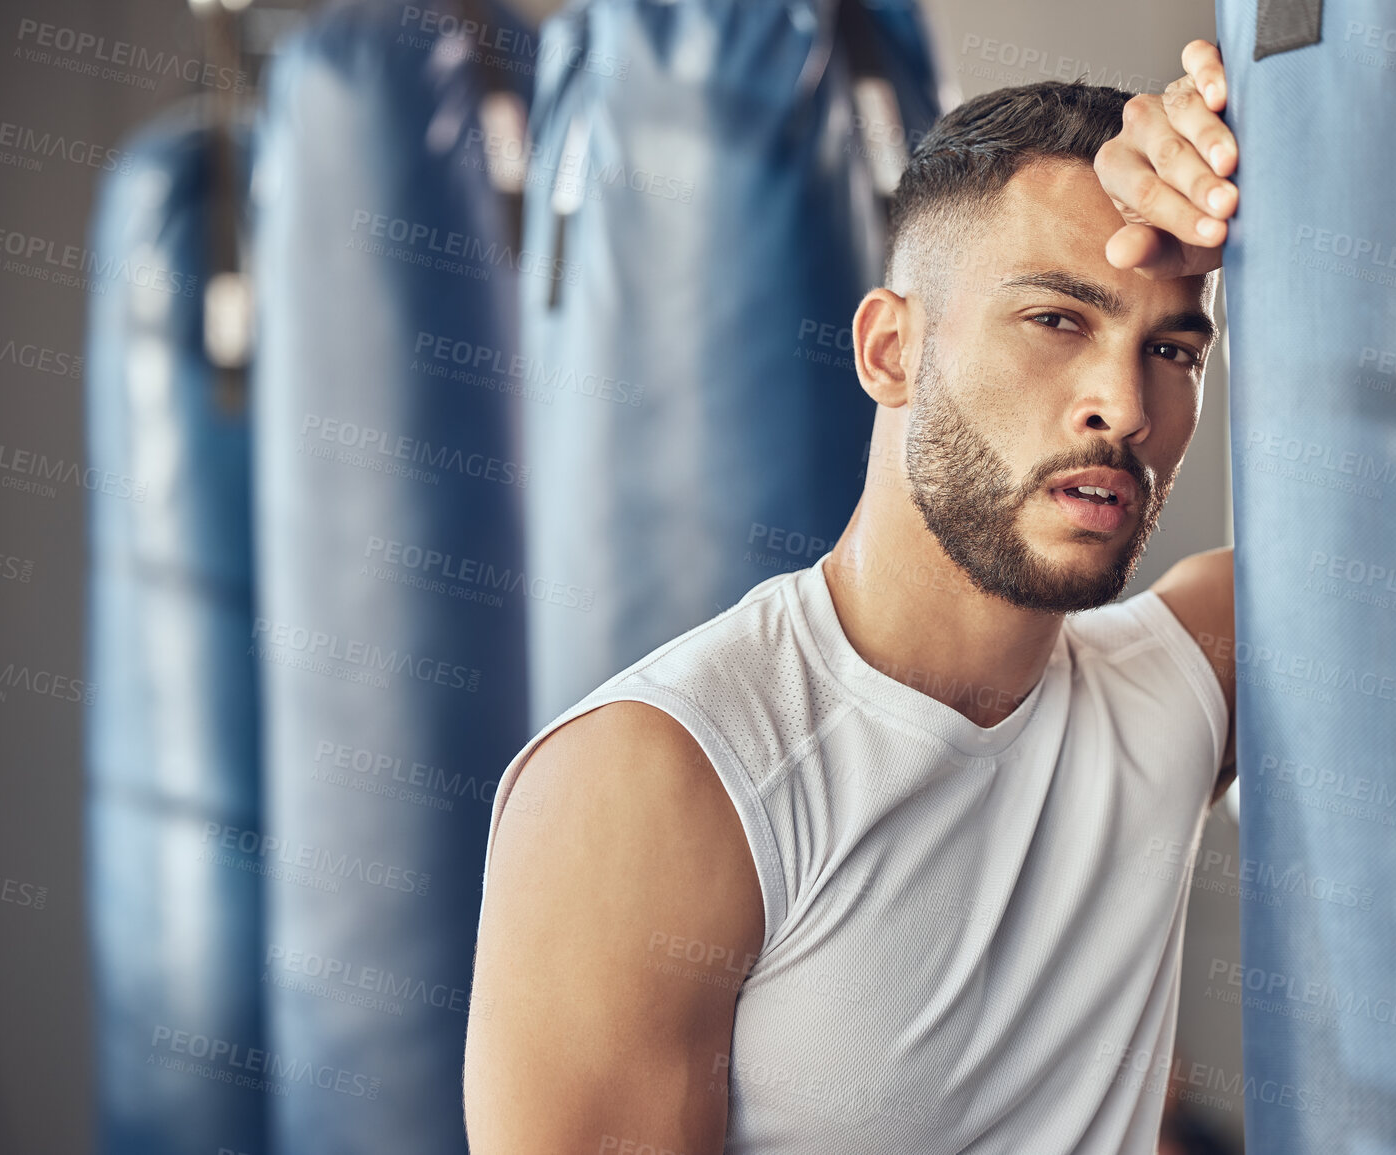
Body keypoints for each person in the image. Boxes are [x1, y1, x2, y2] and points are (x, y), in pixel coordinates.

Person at [465, 39, 1244, 1155]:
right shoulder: (656, 787)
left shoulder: (1182, 685)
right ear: (890, 350)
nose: (1120, 404)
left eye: (1171, 347)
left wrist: (1265, 136)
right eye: (1058, 321)